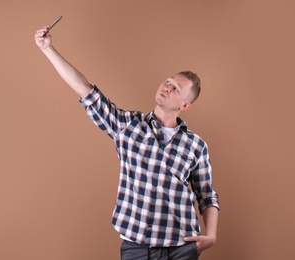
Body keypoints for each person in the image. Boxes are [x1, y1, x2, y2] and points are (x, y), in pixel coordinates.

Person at [34, 25, 220, 260]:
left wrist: (211, 235)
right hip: (137, 248)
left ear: (185, 105)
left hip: (181, 247)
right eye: (168, 81)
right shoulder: (128, 126)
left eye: (176, 89)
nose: (167, 87)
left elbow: (206, 195)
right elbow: (86, 91)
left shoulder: (196, 145)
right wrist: (48, 49)